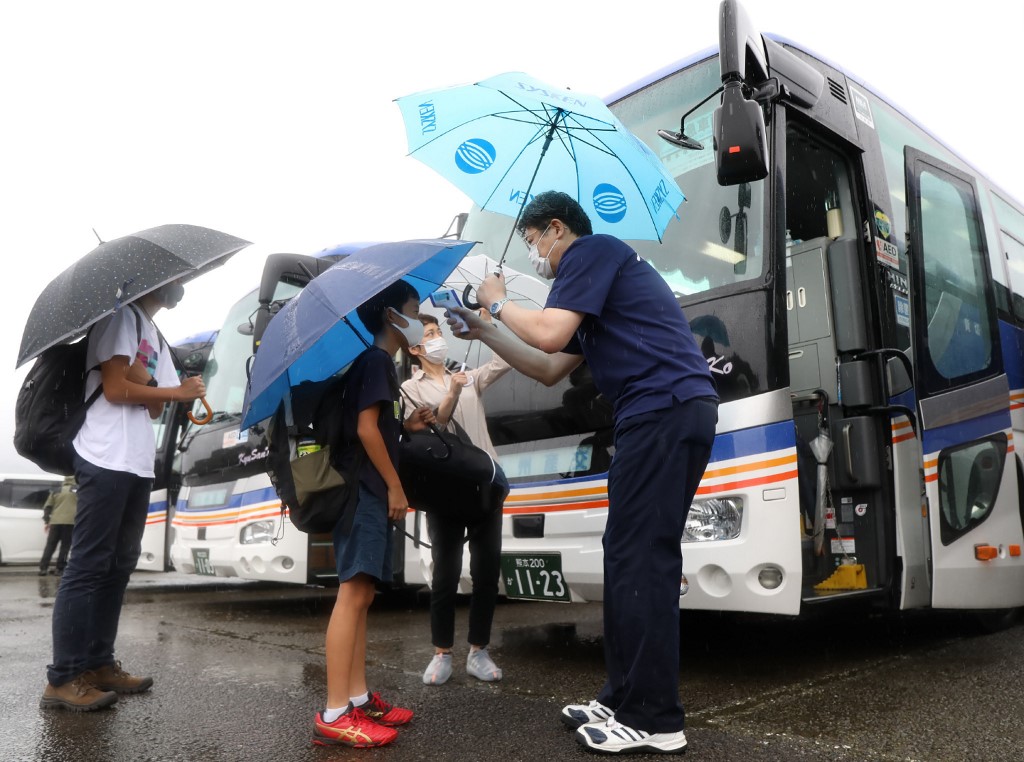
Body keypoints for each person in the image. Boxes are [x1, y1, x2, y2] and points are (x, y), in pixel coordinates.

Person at [451, 191, 719, 756]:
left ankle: (655, 718)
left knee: (642, 557)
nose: (533, 257)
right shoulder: (592, 284)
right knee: (625, 555)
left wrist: (498, 302)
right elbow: (548, 366)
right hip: (653, 413)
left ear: (555, 229)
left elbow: (546, 332)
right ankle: (623, 696)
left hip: (662, 407)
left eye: (531, 243)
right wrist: (483, 329)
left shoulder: (592, 251)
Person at [41, 281, 207, 712]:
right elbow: (116, 390)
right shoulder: (119, 317)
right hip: (104, 455)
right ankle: (62, 678)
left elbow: (154, 407)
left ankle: (98, 664)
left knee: (118, 565)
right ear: (154, 281)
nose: (180, 286)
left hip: (137, 462)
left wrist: (149, 379)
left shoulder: (153, 334)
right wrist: (166, 389)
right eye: (174, 281)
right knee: (89, 565)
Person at [313, 279, 435, 749]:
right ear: (390, 316)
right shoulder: (378, 361)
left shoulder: (373, 363)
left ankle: (358, 699)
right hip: (364, 492)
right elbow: (366, 431)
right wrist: (396, 486)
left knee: (361, 596)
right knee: (352, 594)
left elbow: (373, 428)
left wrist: (404, 426)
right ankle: (335, 712)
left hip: (362, 490)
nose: (419, 320)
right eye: (412, 310)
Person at [401, 313, 510, 686]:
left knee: (486, 571)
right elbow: (435, 426)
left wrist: (486, 325)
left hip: (485, 485)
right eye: (430, 335)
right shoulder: (409, 389)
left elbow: (506, 359)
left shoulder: (467, 375)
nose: (438, 339)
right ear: (415, 348)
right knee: (445, 571)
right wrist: (451, 392)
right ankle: (442, 653)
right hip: (443, 488)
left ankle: (478, 650)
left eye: (438, 332)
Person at [38, 475, 77, 576]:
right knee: (65, 546)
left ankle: (43, 568)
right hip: (70, 522)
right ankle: (60, 569)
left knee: (50, 545)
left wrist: (47, 520)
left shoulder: (56, 490)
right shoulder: (78, 490)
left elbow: (47, 507)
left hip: (55, 522)